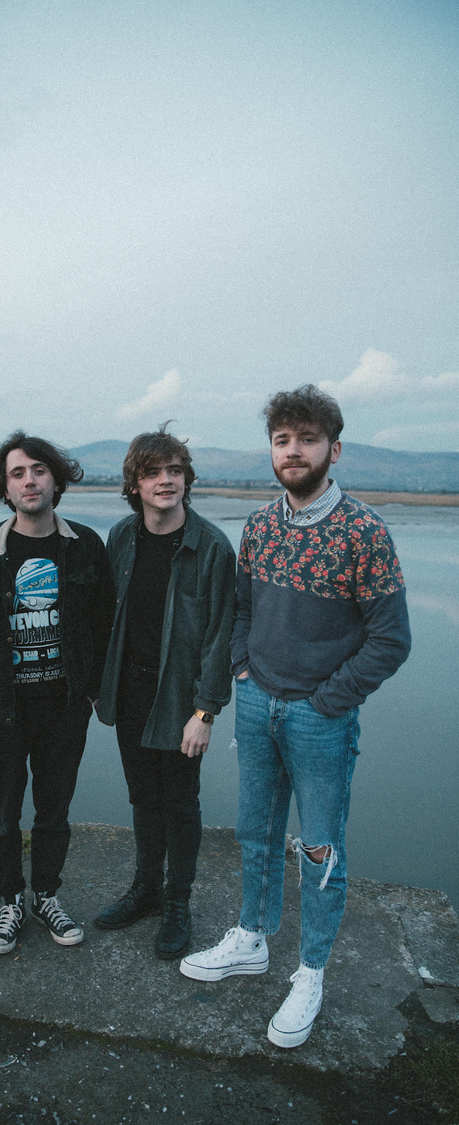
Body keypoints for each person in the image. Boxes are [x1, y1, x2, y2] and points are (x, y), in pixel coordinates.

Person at [180, 385, 411, 1048]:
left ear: (333, 450)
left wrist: (329, 699)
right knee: (255, 831)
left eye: (307, 439)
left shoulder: (364, 530)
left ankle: (310, 972)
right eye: (283, 440)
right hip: (257, 703)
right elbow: (242, 607)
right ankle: (252, 937)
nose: (293, 450)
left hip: (319, 717)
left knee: (319, 847)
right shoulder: (259, 525)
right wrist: (243, 669)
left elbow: (390, 639)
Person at [0, 432, 113, 954]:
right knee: (4, 814)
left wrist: (89, 696)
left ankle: (46, 896)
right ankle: (10, 901)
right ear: (5, 487)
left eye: (39, 470)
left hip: (65, 708)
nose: (29, 481)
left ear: (56, 480)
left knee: (54, 812)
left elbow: (106, 628)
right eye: (17, 473)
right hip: (3, 710)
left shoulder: (85, 546)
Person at [94, 425, 236, 960]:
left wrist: (205, 712)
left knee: (180, 802)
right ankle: (146, 889)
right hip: (130, 693)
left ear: (186, 479)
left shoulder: (212, 547)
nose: (165, 481)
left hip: (181, 700)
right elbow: (107, 616)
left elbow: (221, 636)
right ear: (134, 484)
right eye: (153, 472)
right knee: (142, 797)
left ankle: (178, 903)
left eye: (175, 471)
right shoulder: (121, 538)